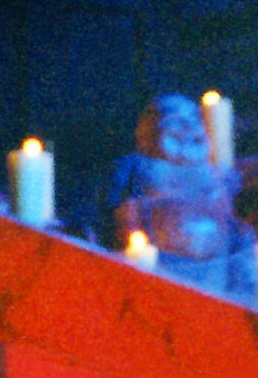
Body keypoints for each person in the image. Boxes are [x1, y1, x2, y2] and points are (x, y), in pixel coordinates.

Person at [99, 95, 242, 290]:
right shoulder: (139, 167)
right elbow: (123, 212)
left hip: (217, 269)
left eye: (193, 119)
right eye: (175, 120)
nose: (187, 127)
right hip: (160, 266)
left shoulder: (214, 173)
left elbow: (230, 215)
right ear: (147, 136)